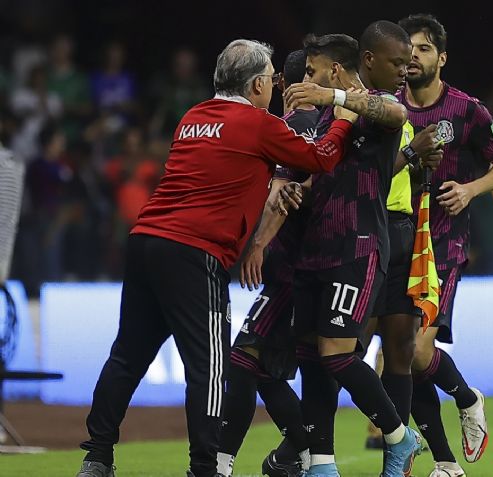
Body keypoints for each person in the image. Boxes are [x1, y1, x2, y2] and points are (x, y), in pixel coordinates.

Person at [75, 39, 358, 477]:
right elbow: (318, 158)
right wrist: (341, 121)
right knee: (209, 368)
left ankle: (97, 458)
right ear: (260, 82)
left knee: (127, 357)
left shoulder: (192, 117)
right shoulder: (257, 123)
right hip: (195, 252)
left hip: (146, 239)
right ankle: (205, 468)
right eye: (271, 76)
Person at [282, 24, 423, 477]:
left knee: (339, 353)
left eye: (314, 70)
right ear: (367, 59)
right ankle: (321, 463)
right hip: (313, 248)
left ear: (339, 70)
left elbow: (396, 114)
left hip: (357, 246)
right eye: (397, 63)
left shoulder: (376, 107)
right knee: (310, 355)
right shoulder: (321, 116)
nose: (404, 71)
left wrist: (334, 98)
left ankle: (400, 438)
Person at [397, 14, 493, 477]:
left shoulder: (466, 110)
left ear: (441, 58)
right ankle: (446, 463)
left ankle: (468, 398)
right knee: (402, 356)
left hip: (442, 246)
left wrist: (470, 190)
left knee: (416, 351)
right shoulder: (390, 106)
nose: (413, 56)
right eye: (407, 48)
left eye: (423, 48)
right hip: (393, 245)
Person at [215, 49, 318, 477]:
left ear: (282, 86)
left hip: (290, 270)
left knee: (242, 358)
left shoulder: (288, 126)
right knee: (270, 371)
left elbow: (280, 191)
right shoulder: (334, 128)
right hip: (330, 264)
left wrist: (258, 243)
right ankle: (302, 453)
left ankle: (221, 463)